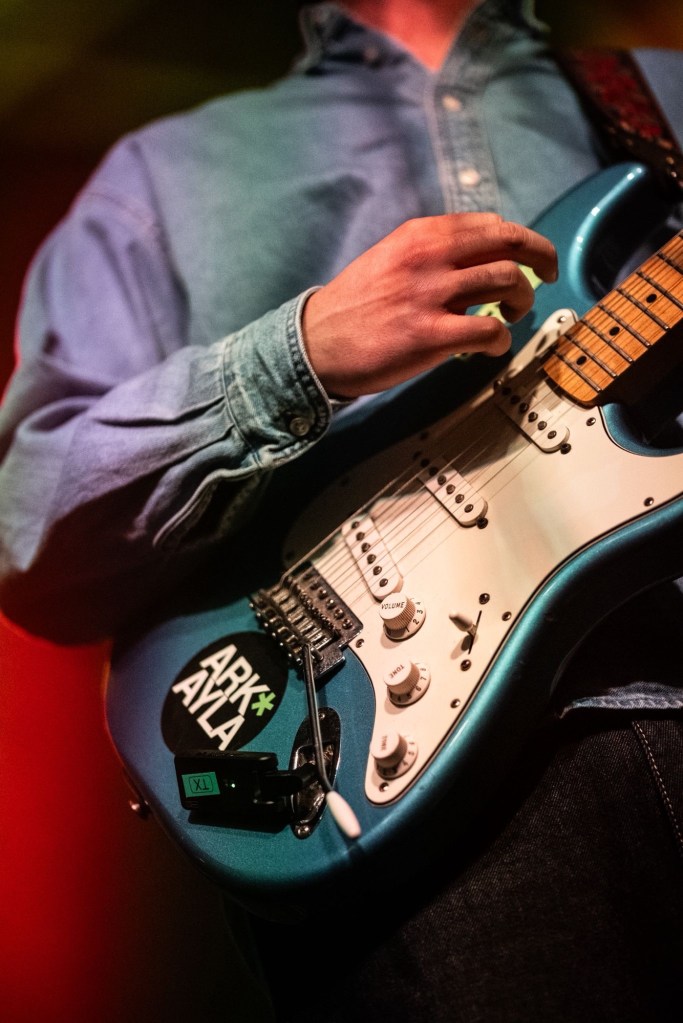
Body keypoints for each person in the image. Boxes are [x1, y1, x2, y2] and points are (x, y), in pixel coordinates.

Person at [1, 1, 682, 1019]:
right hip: (431, 816)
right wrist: (300, 352)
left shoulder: (660, 88)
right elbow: (29, 528)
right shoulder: (162, 173)